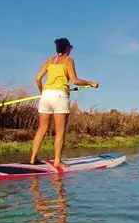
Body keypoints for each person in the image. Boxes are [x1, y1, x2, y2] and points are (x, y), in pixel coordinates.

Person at [29, 37, 99, 169]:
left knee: (42, 129)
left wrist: (42, 92)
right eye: (70, 48)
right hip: (59, 96)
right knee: (60, 131)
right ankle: (57, 161)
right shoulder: (68, 60)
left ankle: (33, 158)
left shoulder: (49, 61)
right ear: (67, 48)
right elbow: (75, 80)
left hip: (46, 96)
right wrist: (91, 83)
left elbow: (38, 79)